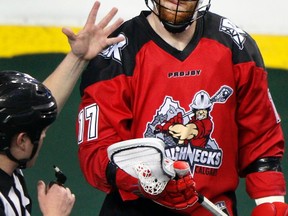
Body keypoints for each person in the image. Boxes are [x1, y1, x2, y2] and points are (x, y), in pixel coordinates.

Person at [75, 0, 288, 215]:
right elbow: (96, 153)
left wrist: (270, 203)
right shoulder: (117, 53)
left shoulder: (236, 46)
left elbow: (261, 138)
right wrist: (148, 182)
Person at [0, 1, 124, 215]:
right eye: (41, 132)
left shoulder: (8, 162)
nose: (44, 135)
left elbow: (32, 109)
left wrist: (77, 58)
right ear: (21, 141)